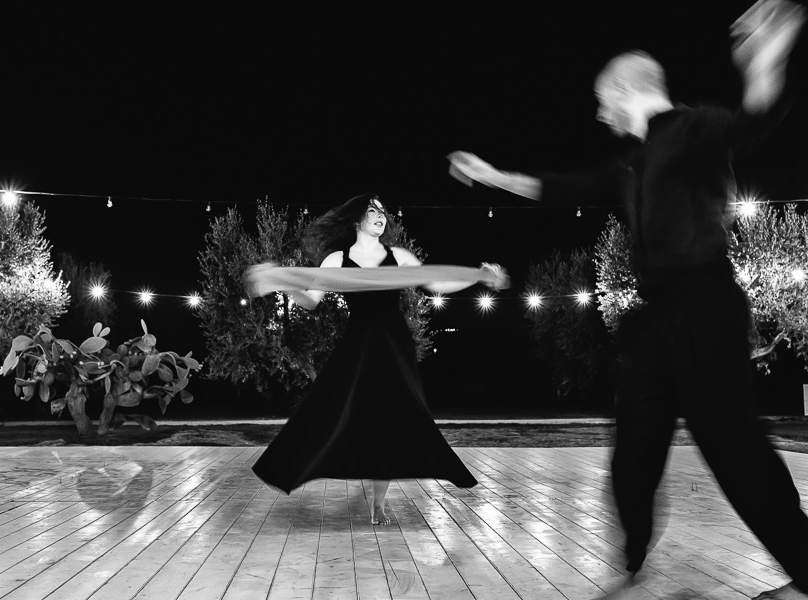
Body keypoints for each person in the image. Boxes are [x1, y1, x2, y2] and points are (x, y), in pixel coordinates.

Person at [448, 1, 808, 598]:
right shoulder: (628, 163)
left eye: (601, 97)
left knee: (733, 447)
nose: (597, 110)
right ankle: (633, 560)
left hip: (706, 304)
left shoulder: (694, 128)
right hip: (656, 320)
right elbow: (566, 186)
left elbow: (751, 126)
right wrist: (493, 177)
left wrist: (763, 64)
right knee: (633, 448)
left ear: (625, 89)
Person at [248, 193, 508, 525]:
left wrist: (478, 276)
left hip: (393, 344)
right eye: (372, 210)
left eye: (383, 211)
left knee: (390, 418)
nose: (380, 215)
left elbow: (436, 282)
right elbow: (312, 300)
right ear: (357, 219)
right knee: (330, 408)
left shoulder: (397, 256)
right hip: (358, 343)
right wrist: (282, 283)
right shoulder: (336, 260)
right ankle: (290, 466)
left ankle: (378, 504)